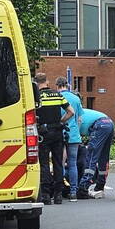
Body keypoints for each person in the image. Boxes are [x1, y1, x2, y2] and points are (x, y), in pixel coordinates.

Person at [34, 72, 73, 205]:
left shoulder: (36, 97)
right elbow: (71, 112)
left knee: (44, 163)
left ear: (36, 83)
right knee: (58, 163)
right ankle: (58, 195)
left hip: (43, 134)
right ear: (47, 81)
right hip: (57, 132)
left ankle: (45, 194)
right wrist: (61, 122)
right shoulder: (57, 95)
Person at [55, 76, 84, 201]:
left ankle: (59, 192)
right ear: (67, 85)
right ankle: (73, 192)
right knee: (72, 164)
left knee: (59, 163)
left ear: (57, 86)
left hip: (59, 134)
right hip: (73, 134)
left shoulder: (57, 98)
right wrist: (76, 130)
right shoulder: (76, 98)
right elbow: (79, 119)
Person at [77, 107, 113, 199]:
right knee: (103, 157)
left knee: (91, 156)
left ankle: (83, 187)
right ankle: (100, 186)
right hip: (109, 123)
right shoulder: (79, 111)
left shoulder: (72, 116)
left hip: (99, 125)